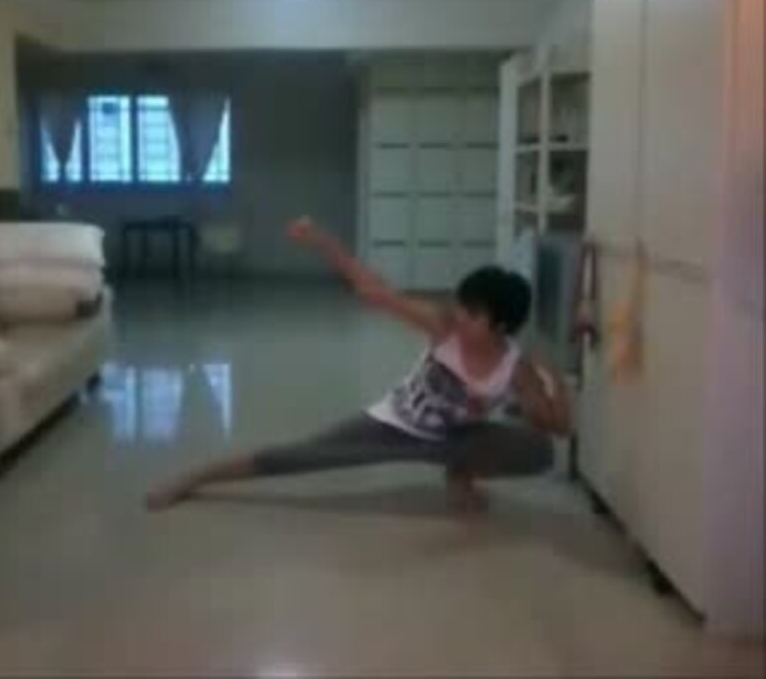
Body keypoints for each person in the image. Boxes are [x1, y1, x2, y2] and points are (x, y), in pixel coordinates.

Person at [145, 216, 572, 513]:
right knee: (301, 455)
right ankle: (194, 478)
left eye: (473, 314)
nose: (460, 316)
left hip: (450, 439)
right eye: (462, 305)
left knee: (539, 453)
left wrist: (554, 375)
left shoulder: (516, 368)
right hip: (391, 424)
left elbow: (558, 428)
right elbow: (371, 289)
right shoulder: (444, 327)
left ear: (500, 326)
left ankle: (459, 471)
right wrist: (320, 240)